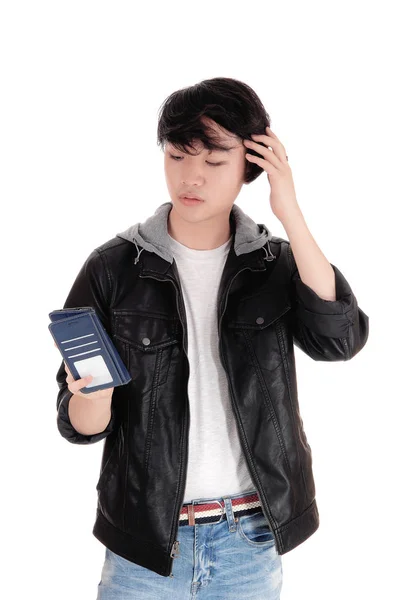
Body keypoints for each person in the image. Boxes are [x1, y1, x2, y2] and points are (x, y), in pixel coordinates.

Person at [54, 77, 369, 599]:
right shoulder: (112, 269)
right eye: (177, 156)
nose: (191, 176)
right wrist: (94, 395)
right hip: (146, 546)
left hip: (250, 538)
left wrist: (288, 208)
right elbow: (79, 426)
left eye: (214, 162)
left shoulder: (275, 264)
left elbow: (339, 340)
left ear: (250, 164)